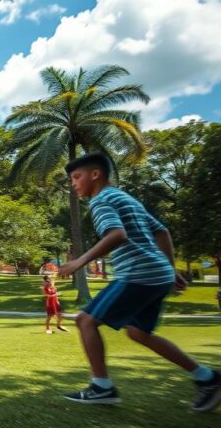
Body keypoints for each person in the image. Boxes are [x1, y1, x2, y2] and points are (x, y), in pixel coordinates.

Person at [58, 153, 220, 411]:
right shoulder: (125, 198)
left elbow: (117, 235)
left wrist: (79, 262)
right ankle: (208, 378)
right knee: (139, 332)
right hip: (157, 274)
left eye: (76, 177)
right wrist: (169, 267)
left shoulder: (101, 201)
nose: (74, 184)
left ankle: (102, 387)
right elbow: (161, 231)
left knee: (85, 320)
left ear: (95, 174)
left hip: (138, 273)